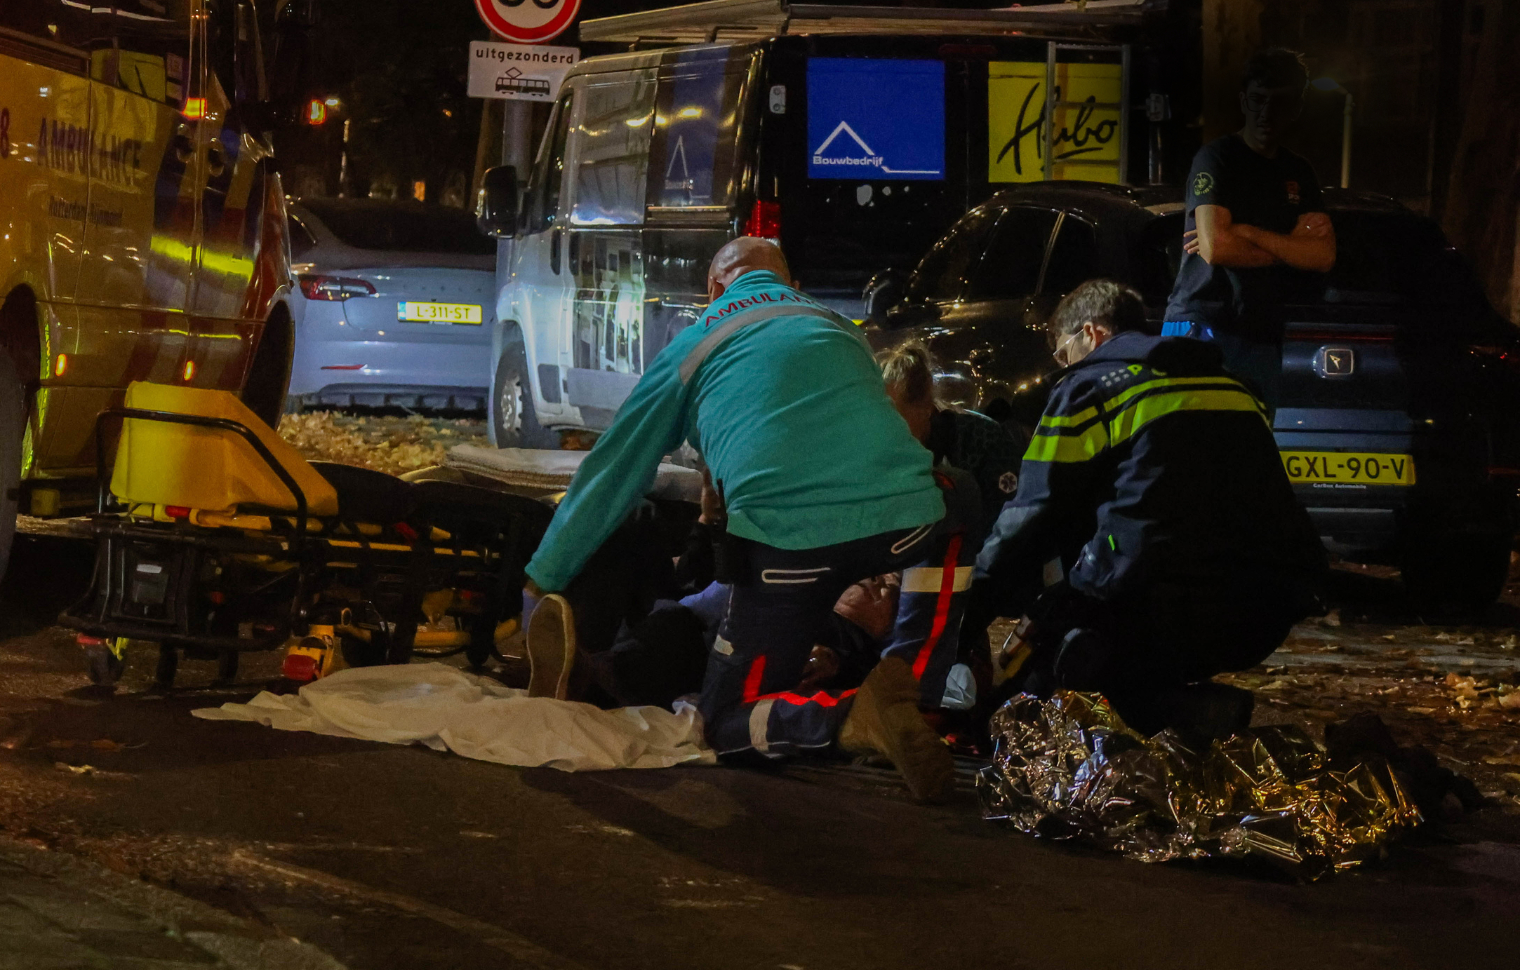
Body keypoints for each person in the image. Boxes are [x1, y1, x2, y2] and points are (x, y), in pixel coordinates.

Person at [519, 237, 959, 800]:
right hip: (907, 526)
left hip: (785, 554)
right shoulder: (841, 330)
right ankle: (915, 683)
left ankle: (846, 720)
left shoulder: (695, 343)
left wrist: (544, 577)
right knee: (960, 501)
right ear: (791, 286)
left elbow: (615, 470)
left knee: (724, 722)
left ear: (714, 290)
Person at [974, 279, 1325, 738]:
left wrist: (973, 599)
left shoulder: (1089, 386)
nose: (1064, 366)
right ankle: (1183, 712)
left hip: (1169, 607)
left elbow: (1032, 513)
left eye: (1063, 354)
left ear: (1092, 333)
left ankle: (1180, 711)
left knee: (1065, 643)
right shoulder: (1234, 384)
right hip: (1266, 607)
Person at [1163, 48, 1337, 400]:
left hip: (1260, 332)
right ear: (1244, 101)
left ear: (1296, 107)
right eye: (1258, 99)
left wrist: (1249, 233)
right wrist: (1289, 247)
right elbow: (1216, 248)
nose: (1266, 112)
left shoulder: (1298, 172)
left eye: (1279, 102)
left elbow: (1322, 256)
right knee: (1191, 430)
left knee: (1253, 431)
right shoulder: (1217, 158)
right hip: (1201, 323)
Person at [876, 341, 1025, 518]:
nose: (884, 428)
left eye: (893, 416)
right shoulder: (878, 455)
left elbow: (1010, 518)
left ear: (925, 407)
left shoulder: (984, 441)